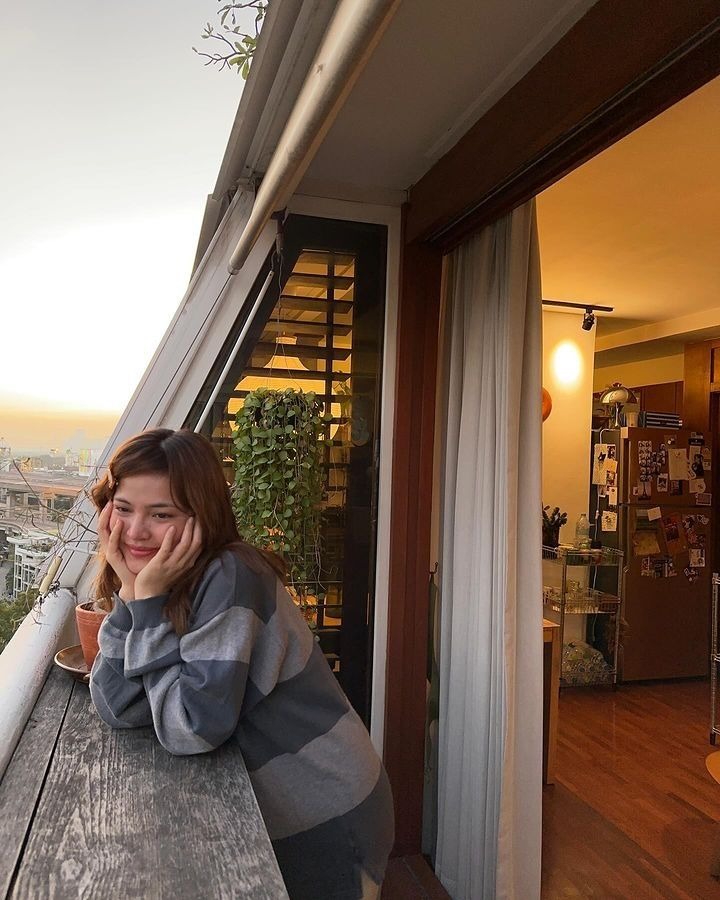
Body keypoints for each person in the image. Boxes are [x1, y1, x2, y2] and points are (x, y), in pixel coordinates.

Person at [89, 428, 394, 900]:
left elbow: (192, 729)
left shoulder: (231, 576)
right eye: (124, 508)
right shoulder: (163, 579)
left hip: (327, 814)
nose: (135, 531)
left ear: (201, 515)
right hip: (283, 808)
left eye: (161, 514)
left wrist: (144, 602)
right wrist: (131, 595)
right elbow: (116, 705)